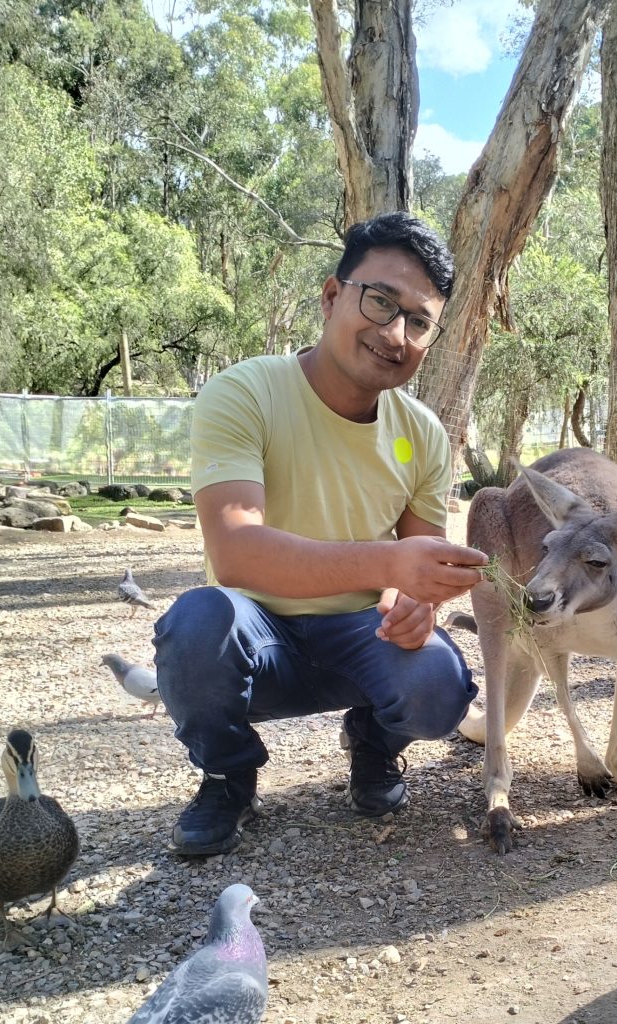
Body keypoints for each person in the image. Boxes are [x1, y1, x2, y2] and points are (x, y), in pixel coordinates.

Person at [154, 211, 489, 856]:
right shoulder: (245, 392)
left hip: (359, 634)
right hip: (256, 635)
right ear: (333, 296)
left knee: (438, 680)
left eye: (419, 322)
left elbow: (415, 574)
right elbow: (236, 553)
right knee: (196, 625)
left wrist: (414, 605)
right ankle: (227, 775)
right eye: (380, 301)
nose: (395, 333)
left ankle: (374, 743)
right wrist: (391, 565)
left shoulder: (422, 433)